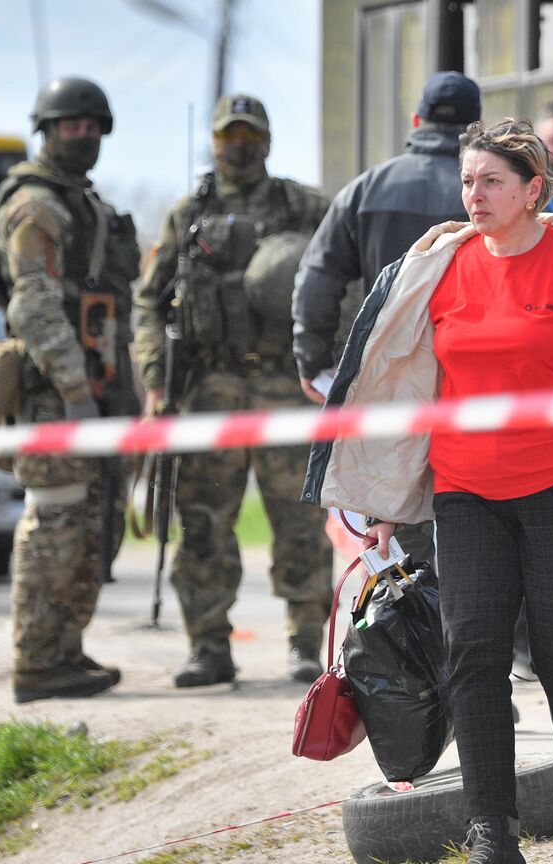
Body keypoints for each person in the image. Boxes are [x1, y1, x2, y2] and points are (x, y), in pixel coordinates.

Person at [302, 119, 553, 864]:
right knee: (472, 655)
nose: (472, 196)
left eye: (490, 182)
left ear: (533, 191)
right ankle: (493, 838)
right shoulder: (435, 267)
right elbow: (403, 383)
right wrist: (382, 498)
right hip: (466, 489)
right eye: (467, 181)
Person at [134, 94, 332, 688]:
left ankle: (304, 642)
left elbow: (346, 278)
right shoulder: (185, 216)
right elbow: (149, 301)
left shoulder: (305, 207)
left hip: (285, 386)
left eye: (249, 137)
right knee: (202, 523)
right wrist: (152, 380)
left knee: (299, 522)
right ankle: (208, 646)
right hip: (211, 390)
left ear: (267, 141)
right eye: (228, 137)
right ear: (214, 142)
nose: (239, 148)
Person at [0, 77, 139, 704]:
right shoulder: (36, 206)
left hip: (92, 391)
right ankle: (37, 660)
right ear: (47, 130)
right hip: (54, 396)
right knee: (54, 523)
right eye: (71, 125)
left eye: (93, 125)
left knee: (88, 525)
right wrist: (74, 388)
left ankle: (64, 652)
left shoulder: (83, 202)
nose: (84, 135)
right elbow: (33, 307)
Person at [292, 71, 480, 568]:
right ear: (476, 128)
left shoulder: (367, 187)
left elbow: (317, 276)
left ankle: (407, 635)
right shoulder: (493, 188)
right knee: (479, 525)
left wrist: (314, 363)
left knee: (396, 534)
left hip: (392, 376)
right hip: (475, 377)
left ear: (416, 121)